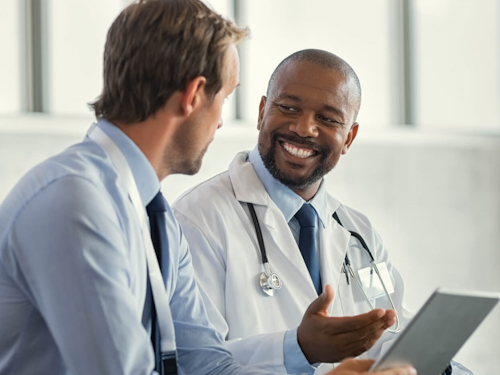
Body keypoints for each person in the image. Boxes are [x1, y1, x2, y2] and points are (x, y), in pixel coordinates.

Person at [0, 1, 417, 374]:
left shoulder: (152, 216)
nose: (220, 122)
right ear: (194, 95)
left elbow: (206, 364)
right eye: (225, 98)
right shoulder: (76, 203)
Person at [173, 49, 471, 375]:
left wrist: (442, 368)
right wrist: (298, 348)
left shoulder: (359, 235)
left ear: (349, 138)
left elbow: (391, 328)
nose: (304, 128)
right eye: (288, 107)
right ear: (261, 112)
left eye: (327, 118)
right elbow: (195, 363)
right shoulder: (198, 220)